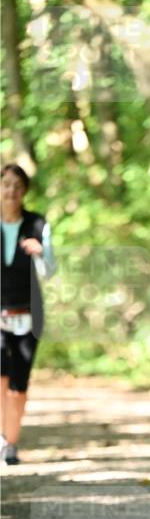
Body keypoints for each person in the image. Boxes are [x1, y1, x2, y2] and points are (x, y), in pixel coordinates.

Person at [1, 163, 56, 465]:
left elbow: (49, 271)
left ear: (24, 192)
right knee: (0, 376)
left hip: (28, 314)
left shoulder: (37, 224)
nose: (11, 191)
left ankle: (11, 443)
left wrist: (40, 252)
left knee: (18, 384)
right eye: (6, 184)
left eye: (17, 186)